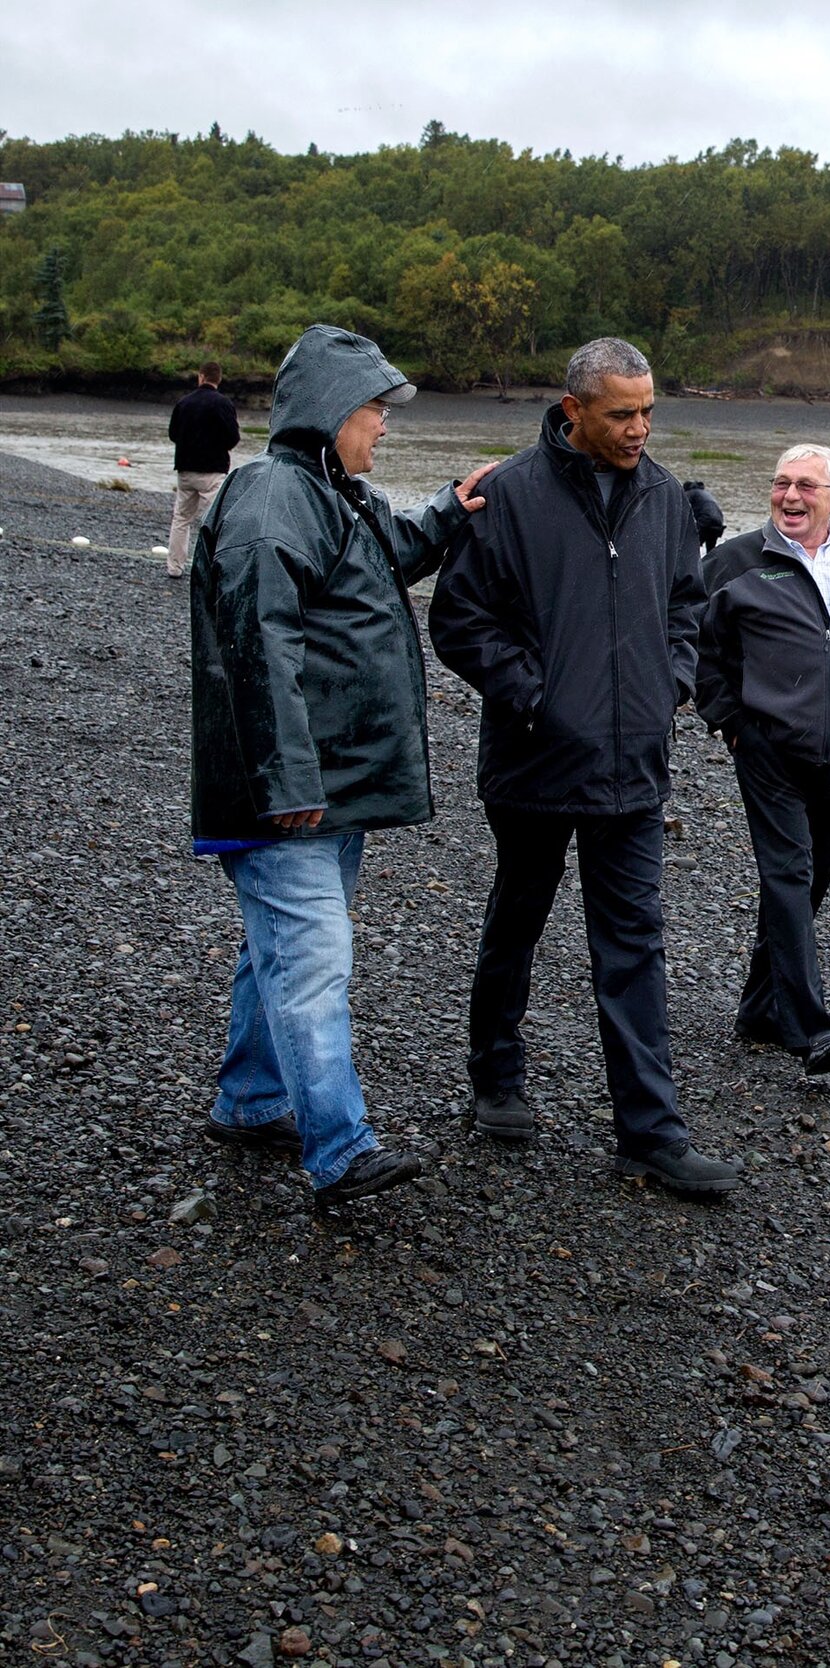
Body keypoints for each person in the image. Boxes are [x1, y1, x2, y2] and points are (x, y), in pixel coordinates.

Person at [428, 338, 740, 1198]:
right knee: (519, 918)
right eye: (621, 414)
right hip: (534, 760)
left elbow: (687, 602)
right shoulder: (509, 496)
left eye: (647, 412)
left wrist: (671, 682)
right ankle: (496, 1076)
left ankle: (651, 1133)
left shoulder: (667, 498)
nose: (639, 428)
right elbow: (459, 621)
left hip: (634, 765)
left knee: (634, 944)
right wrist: (537, 696)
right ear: (574, 412)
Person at [190, 325, 490, 1207]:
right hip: (291, 793)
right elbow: (257, 651)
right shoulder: (271, 499)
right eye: (372, 411)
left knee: (278, 950)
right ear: (328, 415)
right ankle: (339, 1150)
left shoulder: (329, 492)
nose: (383, 427)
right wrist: (287, 788)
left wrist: (450, 511)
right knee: (313, 960)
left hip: (332, 786)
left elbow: (382, 562)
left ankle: (249, 1102)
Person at [696, 445, 830, 1073]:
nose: (790, 496)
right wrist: (731, 721)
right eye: (781, 483)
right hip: (769, 751)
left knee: (807, 887)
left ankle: (758, 1007)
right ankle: (810, 1026)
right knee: (787, 875)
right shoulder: (735, 562)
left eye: (806, 486)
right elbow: (697, 643)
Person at [168, 360, 242, 577]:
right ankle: (212, 569)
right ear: (218, 379)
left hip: (186, 468)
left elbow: (173, 434)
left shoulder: (184, 403)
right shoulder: (223, 404)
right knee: (214, 521)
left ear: (200, 376)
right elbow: (233, 437)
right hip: (212, 469)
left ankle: (175, 566)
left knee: (181, 518)